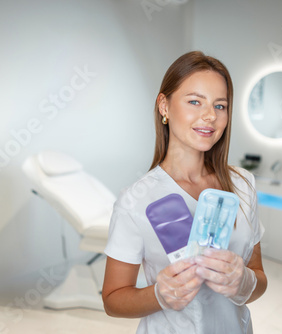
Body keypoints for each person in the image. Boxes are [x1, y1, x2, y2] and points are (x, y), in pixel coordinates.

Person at [102, 51, 268, 334]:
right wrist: (158, 295)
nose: (210, 116)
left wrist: (244, 283)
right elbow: (113, 300)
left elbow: (259, 279)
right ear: (164, 106)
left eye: (220, 106)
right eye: (195, 101)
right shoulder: (135, 200)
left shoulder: (242, 184)